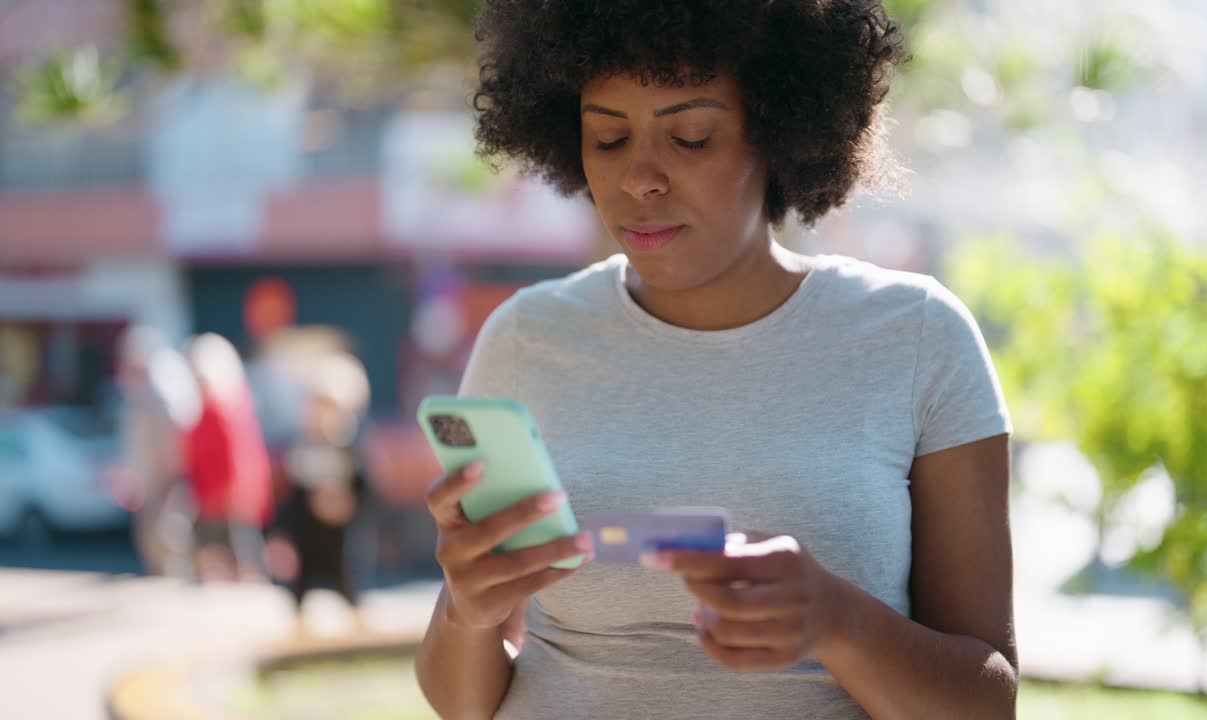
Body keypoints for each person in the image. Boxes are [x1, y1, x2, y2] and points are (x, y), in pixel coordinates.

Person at [416, 2, 1017, 718]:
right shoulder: (525, 339)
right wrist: (468, 611)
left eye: (690, 137)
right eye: (607, 137)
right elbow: (461, 705)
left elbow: (988, 703)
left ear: (779, 133)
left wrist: (836, 621)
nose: (639, 177)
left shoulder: (918, 338)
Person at [266, 352, 371, 633]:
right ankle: (299, 637)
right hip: (308, 535)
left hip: (340, 537)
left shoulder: (350, 448)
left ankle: (359, 636)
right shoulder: (301, 448)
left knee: (349, 586)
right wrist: (281, 533)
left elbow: (365, 489)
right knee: (299, 590)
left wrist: (345, 503)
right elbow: (291, 496)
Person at [183, 333, 275, 582]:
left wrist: (233, 492)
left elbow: (238, 456)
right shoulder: (206, 409)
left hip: (231, 496)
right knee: (212, 550)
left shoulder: (227, 408)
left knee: (242, 553)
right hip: (211, 494)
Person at [115, 325, 202, 578]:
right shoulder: (140, 391)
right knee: (153, 543)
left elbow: (171, 446)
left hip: (166, 483)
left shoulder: (161, 392)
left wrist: (167, 480)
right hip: (152, 484)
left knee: (169, 540)